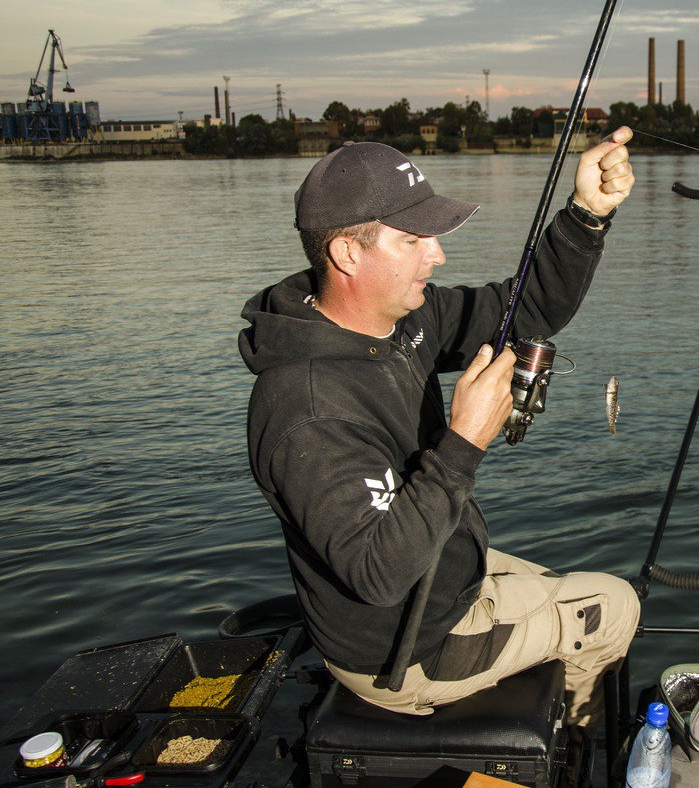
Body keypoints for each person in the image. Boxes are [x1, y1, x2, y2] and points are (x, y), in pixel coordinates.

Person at [238, 128, 640, 734]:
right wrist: (464, 443)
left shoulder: (401, 319)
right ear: (348, 253)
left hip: (441, 575)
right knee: (614, 605)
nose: (438, 254)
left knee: (567, 583)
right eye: (413, 239)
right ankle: (583, 751)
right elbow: (377, 574)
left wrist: (586, 215)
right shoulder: (308, 409)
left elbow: (522, 310)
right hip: (403, 649)